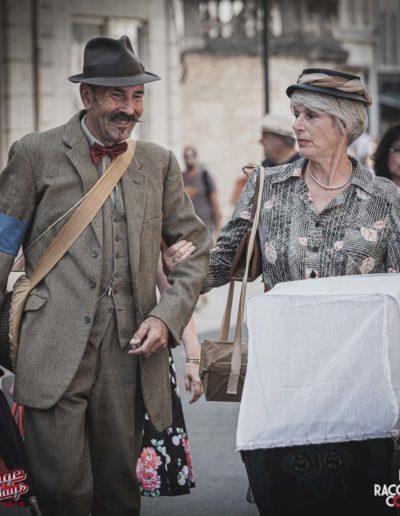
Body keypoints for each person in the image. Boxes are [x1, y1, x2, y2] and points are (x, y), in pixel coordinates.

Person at [164, 68, 400, 515]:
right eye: (296, 113)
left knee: (369, 501)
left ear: (344, 125)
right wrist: (171, 269)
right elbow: (221, 264)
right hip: (283, 385)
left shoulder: (385, 199)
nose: (296, 125)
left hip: (362, 389)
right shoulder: (268, 187)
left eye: (310, 115)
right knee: (285, 500)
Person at [0, 35, 209, 516]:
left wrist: (167, 317)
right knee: (62, 493)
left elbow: (195, 250)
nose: (130, 109)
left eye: (138, 96)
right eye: (118, 95)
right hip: (50, 347)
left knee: (119, 492)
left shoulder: (158, 162)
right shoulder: (34, 153)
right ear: (87, 96)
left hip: (130, 351)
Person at [137, 251, 202, 497]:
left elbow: (172, 291)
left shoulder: (146, 213)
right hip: (71, 356)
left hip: (142, 353)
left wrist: (193, 357)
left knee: (119, 486)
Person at [231, 113, 300, 205]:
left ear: (279, 140)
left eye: (265, 136)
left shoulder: (304, 166)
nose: (260, 141)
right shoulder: (264, 167)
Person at [182, 145, 222, 242]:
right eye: (187, 157)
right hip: (188, 227)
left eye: (192, 156)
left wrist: (218, 225)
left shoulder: (204, 176)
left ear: (196, 157)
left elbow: (214, 200)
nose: (189, 159)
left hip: (206, 225)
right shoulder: (181, 178)